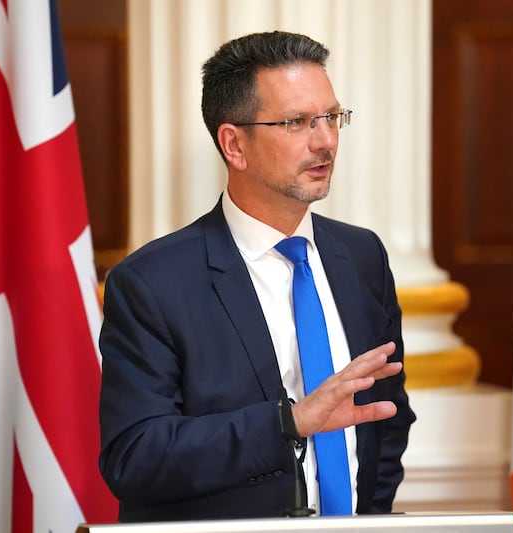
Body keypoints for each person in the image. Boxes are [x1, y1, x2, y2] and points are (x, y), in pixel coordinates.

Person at [98, 30, 415, 523]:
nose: (326, 140)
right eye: (296, 123)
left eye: (332, 117)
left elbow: (386, 421)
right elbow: (136, 455)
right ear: (234, 145)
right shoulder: (151, 283)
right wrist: (288, 424)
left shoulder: (362, 256)